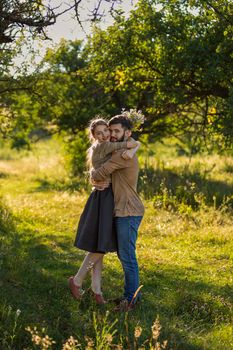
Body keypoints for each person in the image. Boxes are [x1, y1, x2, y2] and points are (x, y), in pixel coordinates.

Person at [68, 118, 139, 304]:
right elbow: (100, 171)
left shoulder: (114, 149)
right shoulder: (107, 147)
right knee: (101, 244)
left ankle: (96, 289)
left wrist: (134, 148)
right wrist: (133, 146)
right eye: (100, 133)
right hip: (104, 198)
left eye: (108, 131)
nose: (107, 135)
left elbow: (126, 147)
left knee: (100, 244)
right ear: (94, 136)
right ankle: (77, 280)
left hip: (109, 199)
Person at [91, 114, 144, 311]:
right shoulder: (125, 147)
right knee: (124, 255)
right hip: (122, 210)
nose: (112, 135)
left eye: (116, 131)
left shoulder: (122, 155)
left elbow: (99, 173)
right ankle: (129, 296)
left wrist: (92, 176)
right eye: (109, 131)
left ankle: (131, 301)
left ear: (127, 133)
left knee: (128, 256)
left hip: (128, 211)